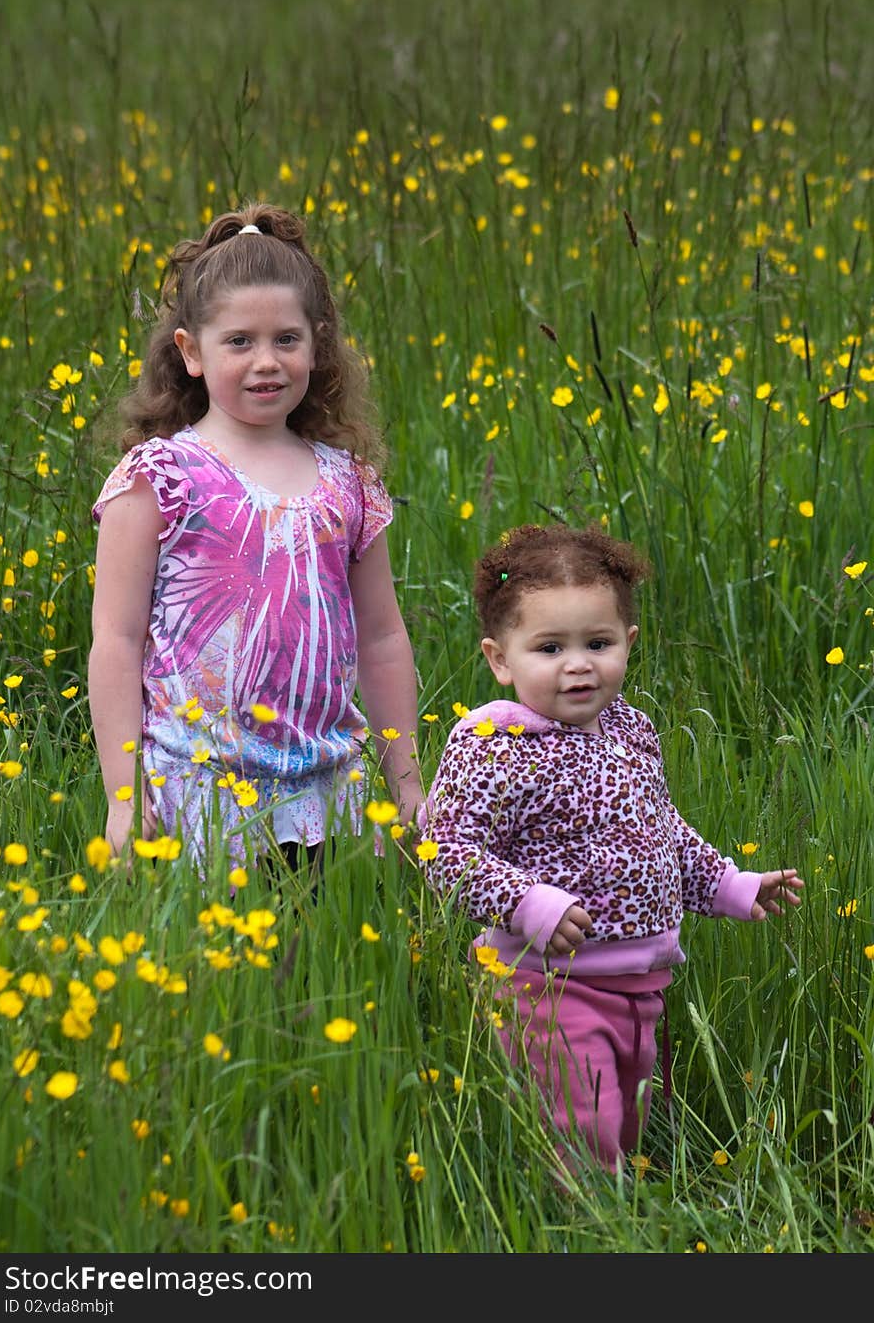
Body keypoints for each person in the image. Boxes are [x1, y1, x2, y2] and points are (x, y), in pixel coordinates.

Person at [420, 522, 803, 1172]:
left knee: (628, 1123)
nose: (577, 664)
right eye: (548, 647)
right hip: (545, 981)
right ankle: (580, 1235)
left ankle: (617, 1217)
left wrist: (727, 883)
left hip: (640, 981)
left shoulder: (633, 729)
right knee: (579, 1128)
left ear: (627, 644)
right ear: (500, 658)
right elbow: (446, 850)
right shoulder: (494, 742)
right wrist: (527, 902)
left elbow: (662, 830)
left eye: (597, 643)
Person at [88, 201, 422, 876]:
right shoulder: (160, 479)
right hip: (196, 794)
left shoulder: (348, 485)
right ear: (191, 352)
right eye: (239, 341)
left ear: (317, 344)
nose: (266, 361)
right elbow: (116, 642)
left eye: (286, 340)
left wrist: (407, 786)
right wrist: (123, 799)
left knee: (326, 966)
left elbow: (382, 638)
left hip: (328, 792)